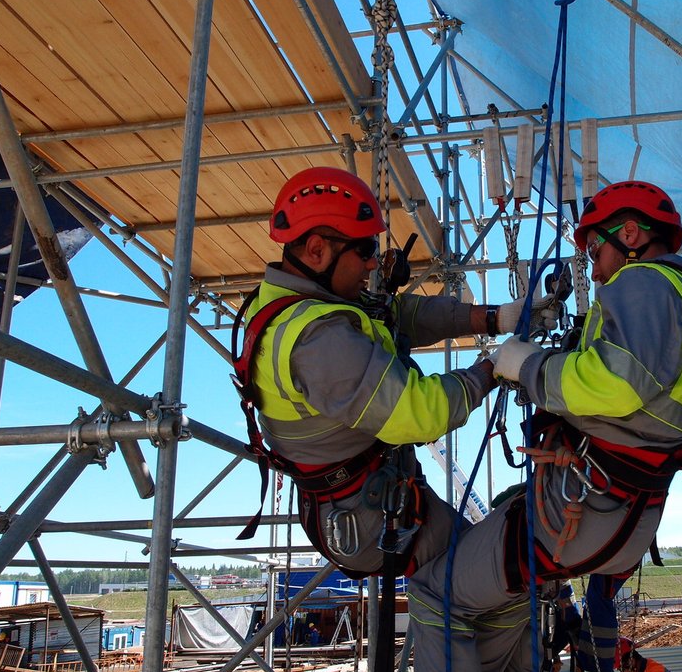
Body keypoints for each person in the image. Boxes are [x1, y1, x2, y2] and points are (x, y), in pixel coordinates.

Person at [404, 180, 682, 672]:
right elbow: (631, 395)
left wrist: (525, 363)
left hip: (577, 512)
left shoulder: (645, 282)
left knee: (437, 590)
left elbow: (614, 383)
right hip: (623, 516)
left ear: (629, 236)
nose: (596, 273)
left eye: (596, 254)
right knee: (513, 582)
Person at [232, 166, 557, 580]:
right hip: (363, 515)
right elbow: (417, 413)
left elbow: (396, 314)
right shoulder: (315, 339)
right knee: (487, 581)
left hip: (379, 484)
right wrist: (493, 370)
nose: (372, 264)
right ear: (316, 251)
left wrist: (494, 318)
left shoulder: (312, 300)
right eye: (364, 249)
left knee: (481, 568)